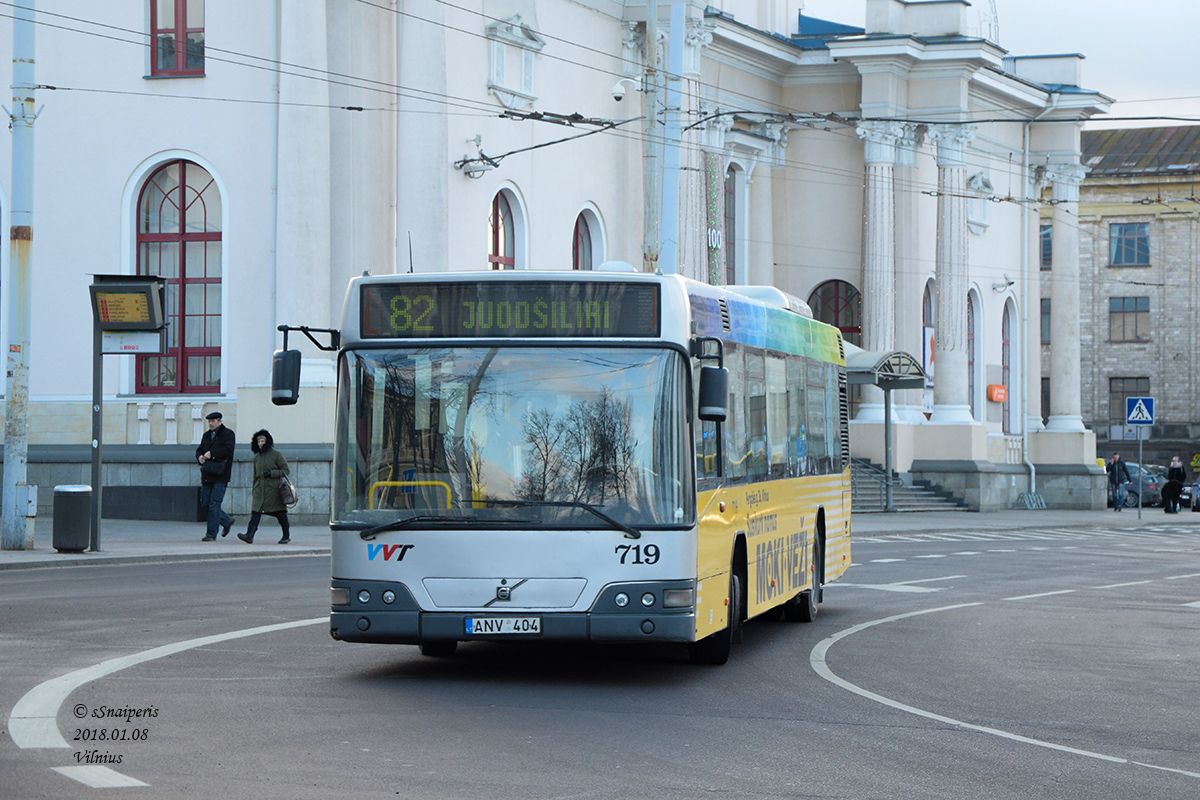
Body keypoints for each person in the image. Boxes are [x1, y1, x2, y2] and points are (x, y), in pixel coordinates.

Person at [237, 429, 293, 545]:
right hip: (259, 489)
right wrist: (254, 489)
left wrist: (272, 473)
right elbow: (255, 475)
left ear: (267, 441)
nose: (261, 443)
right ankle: (249, 535)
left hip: (273, 490)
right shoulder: (257, 457)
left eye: (263, 441)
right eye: (259, 441)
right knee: (255, 512)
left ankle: (286, 535)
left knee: (280, 514)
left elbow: (286, 470)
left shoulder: (277, 455)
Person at [197, 411, 236, 541]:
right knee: (205, 503)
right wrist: (200, 457)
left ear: (220, 421)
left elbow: (228, 450)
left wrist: (212, 454)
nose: (211, 424)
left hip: (220, 474)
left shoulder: (228, 434)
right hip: (208, 473)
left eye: (213, 421)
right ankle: (226, 520)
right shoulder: (207, 435)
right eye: (209, 421)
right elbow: (199, 449)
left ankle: (211, 534)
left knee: (214, 503)